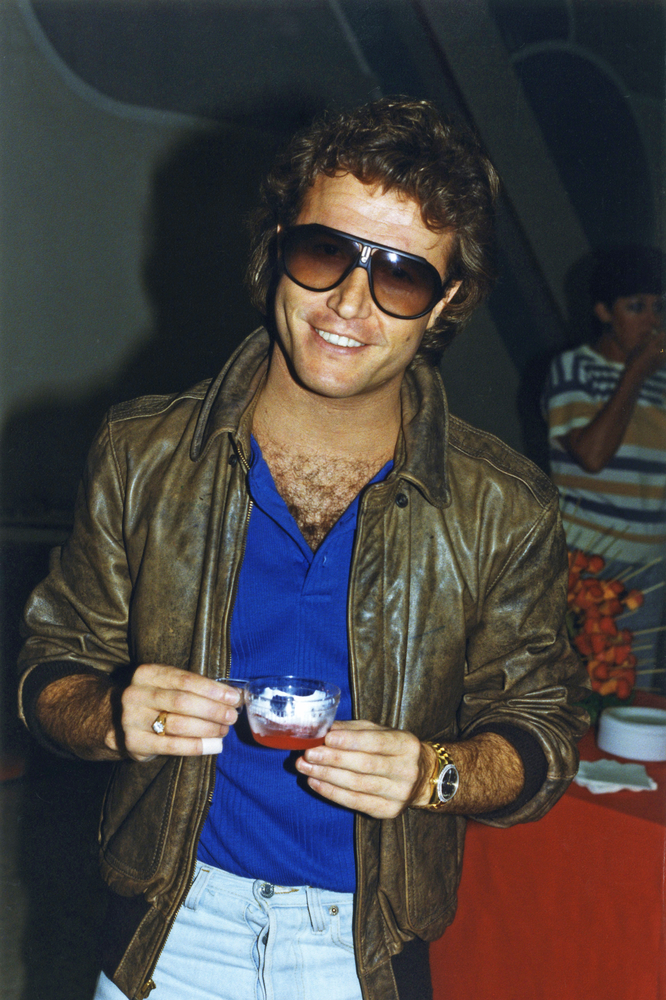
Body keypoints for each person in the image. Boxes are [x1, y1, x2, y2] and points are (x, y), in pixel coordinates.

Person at [18, 97, 588, 1000]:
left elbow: (545, 734)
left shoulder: (501, 507)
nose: (350, 304)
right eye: (326, 253)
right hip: (169, 930)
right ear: (277, 247)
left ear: (444, 303)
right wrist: (111, 711)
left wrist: (433, 771)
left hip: (358, 950)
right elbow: (49, 670)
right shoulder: (144, 454)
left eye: (399, 277)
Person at [544, 246, 666, 689]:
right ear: (603, 312)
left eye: (657, 307)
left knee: (631, 696)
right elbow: (591, 456)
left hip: (649, 568)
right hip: (587, 566)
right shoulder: (574, 369)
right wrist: (634, 375)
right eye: (635, 307)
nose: (651, 320)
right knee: (579, 697)